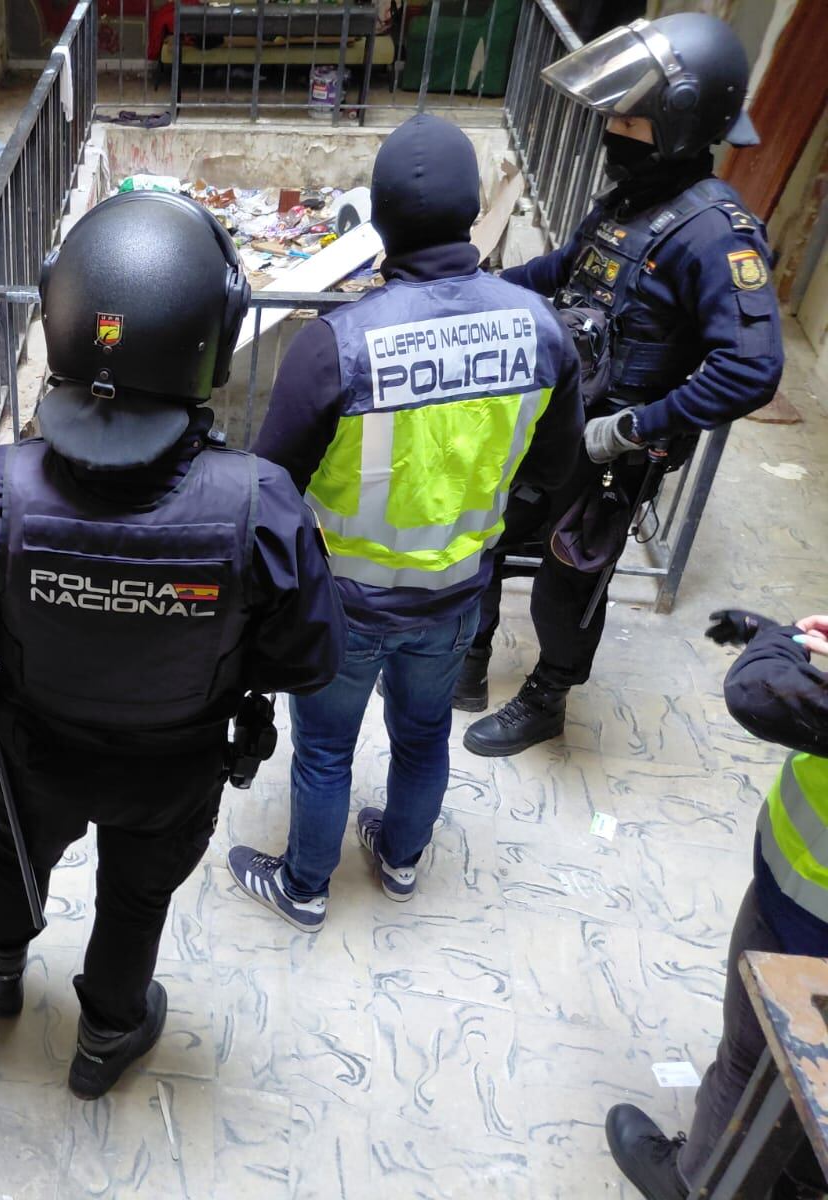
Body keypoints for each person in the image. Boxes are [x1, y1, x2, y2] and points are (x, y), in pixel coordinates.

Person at [0, 191, 346, 1099]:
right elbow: (306, 661)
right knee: (137, 898)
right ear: (209, 340)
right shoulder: (262, 503)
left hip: (34, 752)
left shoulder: (0, 490)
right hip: (176, 765)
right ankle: (107, 1035)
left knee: (18, 860)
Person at [227, 115, 583, 931]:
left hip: (345, 602)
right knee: (423, 736)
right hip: (458, 596)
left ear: (378, 219)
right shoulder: (540, 329)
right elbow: (553, 473)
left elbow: (271, 484)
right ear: (470, 212)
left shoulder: (337, 344)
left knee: (324, 749)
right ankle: (400, 860)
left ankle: (306, 887)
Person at [461, 12, 785, 757]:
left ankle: (546, 697)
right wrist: (470, 292)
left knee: (567, 579)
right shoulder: (630, 202)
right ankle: (468, 665)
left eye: (626, 119)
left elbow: (752, 367)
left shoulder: (717, 234)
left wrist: (637, 428)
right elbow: (561, 270)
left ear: (679, 124)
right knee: (478, 534)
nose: (610, 129)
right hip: (553, 417)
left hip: (614, 448)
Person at [605, 609, 828, 1199]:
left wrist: (780, 640)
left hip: (806, 912)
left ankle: (691, 1181)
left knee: (751, 1059)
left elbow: (756, 692)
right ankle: (798, 1179)